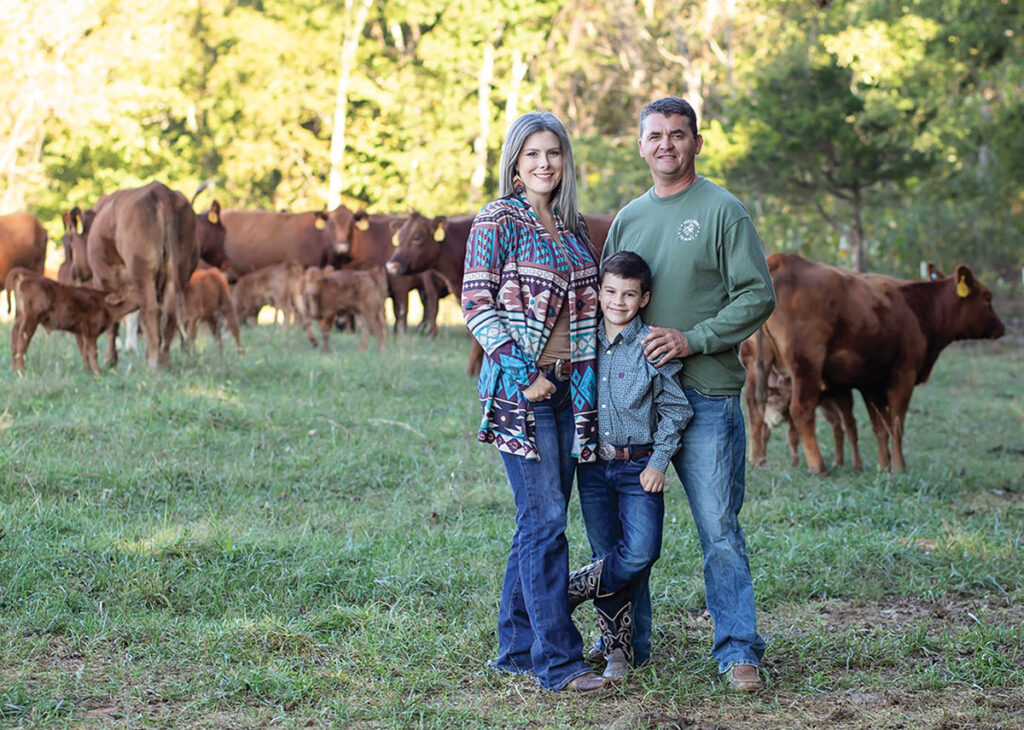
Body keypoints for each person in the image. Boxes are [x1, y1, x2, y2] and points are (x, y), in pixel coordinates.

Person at [601, 96, 776, 691]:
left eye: (678, 135)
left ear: (696, 142)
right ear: (641, 144)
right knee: (631, 535)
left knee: (719, 528)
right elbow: (610, 305)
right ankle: (630, 647)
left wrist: (693, 339)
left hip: (706, 396)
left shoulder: (724, 211)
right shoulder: (629, 218)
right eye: (655, 135)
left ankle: (738, 651)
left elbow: (757, 296)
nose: (666, 145)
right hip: (637, 408)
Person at [461, 111, 607, 694]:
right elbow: (475, 300)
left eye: (553, 153)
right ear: (515, 164)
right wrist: (525, 376)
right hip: (526, 393)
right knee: (546, 524)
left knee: (538, 522)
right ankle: (559, 662)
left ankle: (517, 649)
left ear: (565, 161)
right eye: (532, 154)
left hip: (573, 391)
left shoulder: (573, 230)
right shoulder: (498, 219)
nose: (544, 163)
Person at [568, 251, 693, 681]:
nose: (618, 301)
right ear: (599, 292)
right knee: (606, 552)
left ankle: (572, 588)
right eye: (610, 291)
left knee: (641, 550)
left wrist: (659, 462)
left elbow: (677, 410)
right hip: (592, 467)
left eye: (628, 294)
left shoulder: (650, 346)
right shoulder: (581, 342)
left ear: (644, 299)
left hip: (638, 465)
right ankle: (617, 650)